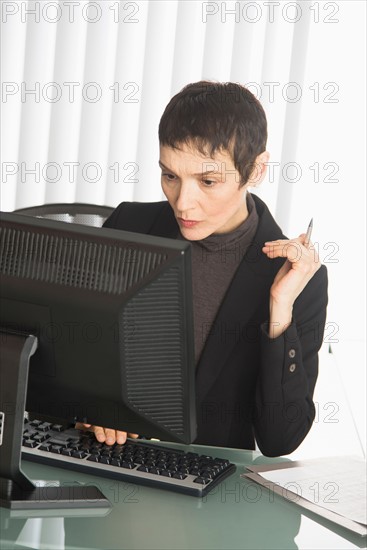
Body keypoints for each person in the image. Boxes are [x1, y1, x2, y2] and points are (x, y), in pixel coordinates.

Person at [80, 81, 328, 456]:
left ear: (256, 169)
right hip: (102, 469)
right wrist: (90, 408)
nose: (183, 203)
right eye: (170, 176)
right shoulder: (128, 227)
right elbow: (72, 359)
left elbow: (280, 439)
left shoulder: (298, 280)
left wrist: (280, 308)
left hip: (205, 494)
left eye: (208, 181)